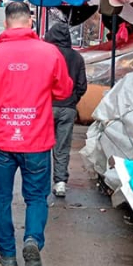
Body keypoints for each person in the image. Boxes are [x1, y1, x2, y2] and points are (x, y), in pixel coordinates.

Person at [0, 1, 73, 266]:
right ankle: (32, 239)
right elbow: (64, 89)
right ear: (30, 23)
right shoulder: (49, 53)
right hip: (37, 140)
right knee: (36, 197)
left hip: (4, 140)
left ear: (6, 23)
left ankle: (6, 253)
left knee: (2, 198)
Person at [44, 22, 88, 198]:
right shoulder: (77, 57)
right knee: (62, 146)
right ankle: (60, 182)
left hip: (47, 106)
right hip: (68, 108)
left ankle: (41, 180)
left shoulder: (47, 55)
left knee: (43, 145)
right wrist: (72, 100)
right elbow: (82, 85)